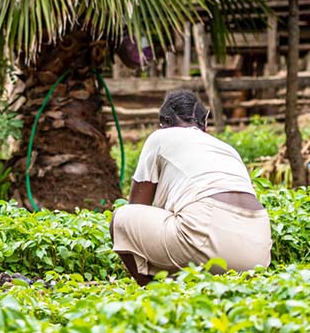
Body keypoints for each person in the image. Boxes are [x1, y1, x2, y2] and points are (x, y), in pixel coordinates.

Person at [110, 89, 271, 286]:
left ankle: (153, 293)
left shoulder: (160, 137)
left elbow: (137, 206)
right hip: (258, 252)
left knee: (120, 219)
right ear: (205, 122)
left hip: (205, 239)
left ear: (163, 122)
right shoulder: (227, 148)